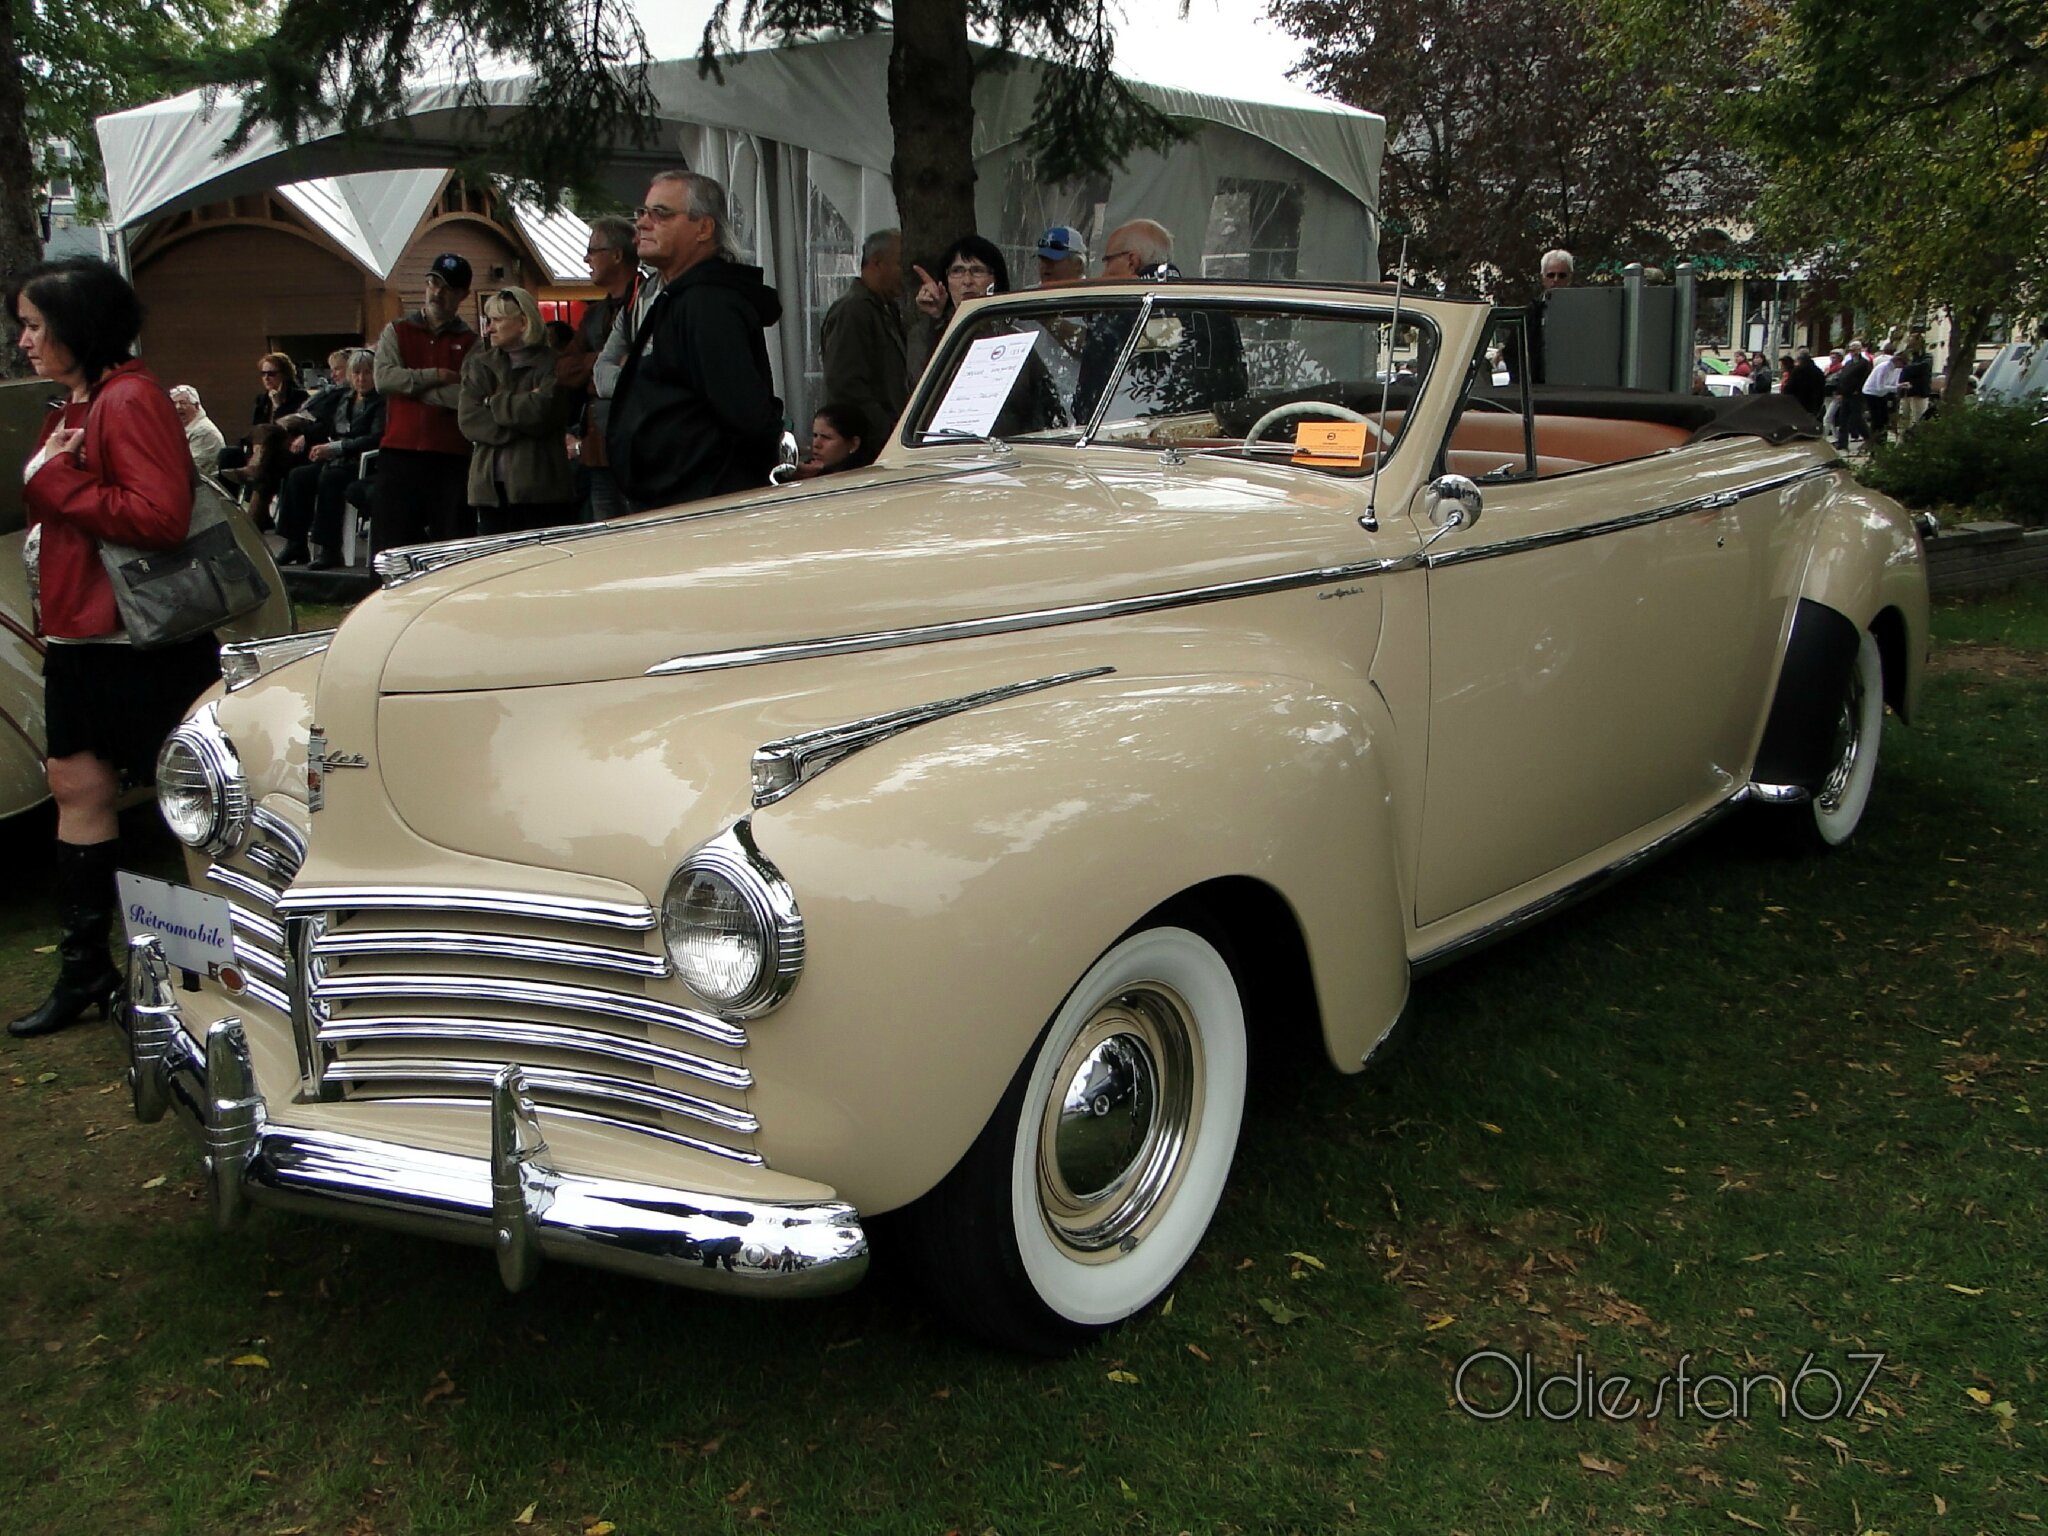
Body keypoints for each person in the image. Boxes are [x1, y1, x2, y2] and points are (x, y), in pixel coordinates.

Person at [6, 257, 221, 1038]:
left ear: (78, 326)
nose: (24, 339)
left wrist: (53, 484)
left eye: (35, 324)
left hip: (138, 642)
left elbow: (159, 517)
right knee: (75, 786)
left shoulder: (129, 398)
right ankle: (86, 968)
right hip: (82, 634)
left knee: (185, 803)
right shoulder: (79, 400)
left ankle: (200, 975)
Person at [607, 171, 784, 512]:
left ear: (703, 228)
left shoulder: (707, 304)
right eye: (641, 213)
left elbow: (745, 412)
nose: (643, 224)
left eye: (660, 214)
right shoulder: (680, 297)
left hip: (704, 503)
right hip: (677, 498)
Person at [371, 251, 480, 551]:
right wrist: (438, 374)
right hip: (399, 451)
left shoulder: (472, 343)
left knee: (454, 540)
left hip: (450, 455)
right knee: (392, 543)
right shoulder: (397, 331)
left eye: (447, 287)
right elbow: (383, 380)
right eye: (433, 283)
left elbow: (468, 397)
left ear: (462, 295)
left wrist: (411, 387)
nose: (437, 292)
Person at [459, 286, 578, 534]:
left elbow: (543, 413)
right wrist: (522, 416)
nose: (488, 328)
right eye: (488, 320)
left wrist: (493, 403)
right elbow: (469, 420)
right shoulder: (480, 364)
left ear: (523, 322)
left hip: (541, 490)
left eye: (497, 320)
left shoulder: (553, 363)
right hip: (490, 491)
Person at [563, 215, 643, 521]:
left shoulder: (648, 302)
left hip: (640, 445)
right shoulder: (594, 315)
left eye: (593, 250)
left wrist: (592, 369)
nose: (587, 258)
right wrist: (603, 362)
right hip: (598, 449)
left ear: (617, 254)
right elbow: (563, 369)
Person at [275, 349, 384, 568]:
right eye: (356, 373)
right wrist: (315, 443)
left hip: (362, 463)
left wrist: (335, 448)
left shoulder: (381, 403)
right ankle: (295, 543)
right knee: (297, 476)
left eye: (367, 373)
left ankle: (330, 548)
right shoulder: (345, 398)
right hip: (337, 458)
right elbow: (328, 426)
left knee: (331, 479)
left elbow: (375, 438)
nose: (361, 379)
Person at [820, 228, 908, 446]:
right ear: (877, 263)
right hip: (867, 444)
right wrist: (888, 431)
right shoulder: (853, 311)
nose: (905, 273)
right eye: (899, 264)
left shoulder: (886, 309)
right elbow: (846, 386)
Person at [907, 233, 1009, 381]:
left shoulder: (1013, 329)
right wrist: (936, 319)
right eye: (957, 271)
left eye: (977, 271)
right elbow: (920, 383)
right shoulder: (926, 332)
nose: (967, 281)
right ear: (945, 281)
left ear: (996, 279)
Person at [795, 402, 873, 478]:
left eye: (826, 437)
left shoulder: (866, 477)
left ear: (853, 444)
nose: (816, 444)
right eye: (815, 436)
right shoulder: (805, 473)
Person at [167, 384, 225, 476]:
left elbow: (190, 468)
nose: (178, 407)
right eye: (174, 403)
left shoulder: (204, 432)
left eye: (183, 403)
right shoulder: (178, 428)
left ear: (197, 406)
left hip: (202, 487)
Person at [1861, 337, 1903, 446]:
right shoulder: (1884, 367)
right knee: (1876, 420)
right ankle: (1874, 443)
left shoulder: (1895, 369)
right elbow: (1880, 386)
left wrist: (1899, 385)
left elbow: (1891, 383)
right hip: (1872, 392)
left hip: (1881, 393)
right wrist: (1896, 388)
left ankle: (1882, 442)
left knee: (1884, 419)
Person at [1832, 339, 1871, 450]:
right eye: (1851, 350)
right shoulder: (1848, 363)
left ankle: (1868, 437)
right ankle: (1842, 443)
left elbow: (1864, 379)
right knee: (1842, 419)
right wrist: (1839, 391)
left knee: (1856, 418)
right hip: (1845, 394)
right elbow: (1843, 377)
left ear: (1859, 350)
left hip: (1856, 395)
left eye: (1855, 350)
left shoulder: (1864, 363)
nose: (1853, 352)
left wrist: (1857, 390)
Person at [1786, 348, 1828, 420]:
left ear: (1799, 359)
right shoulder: (1818, 371)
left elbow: (1790, 387)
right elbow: (1822, 390)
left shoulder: (1797, 371)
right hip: (1814, 404)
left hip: (1798, 403)